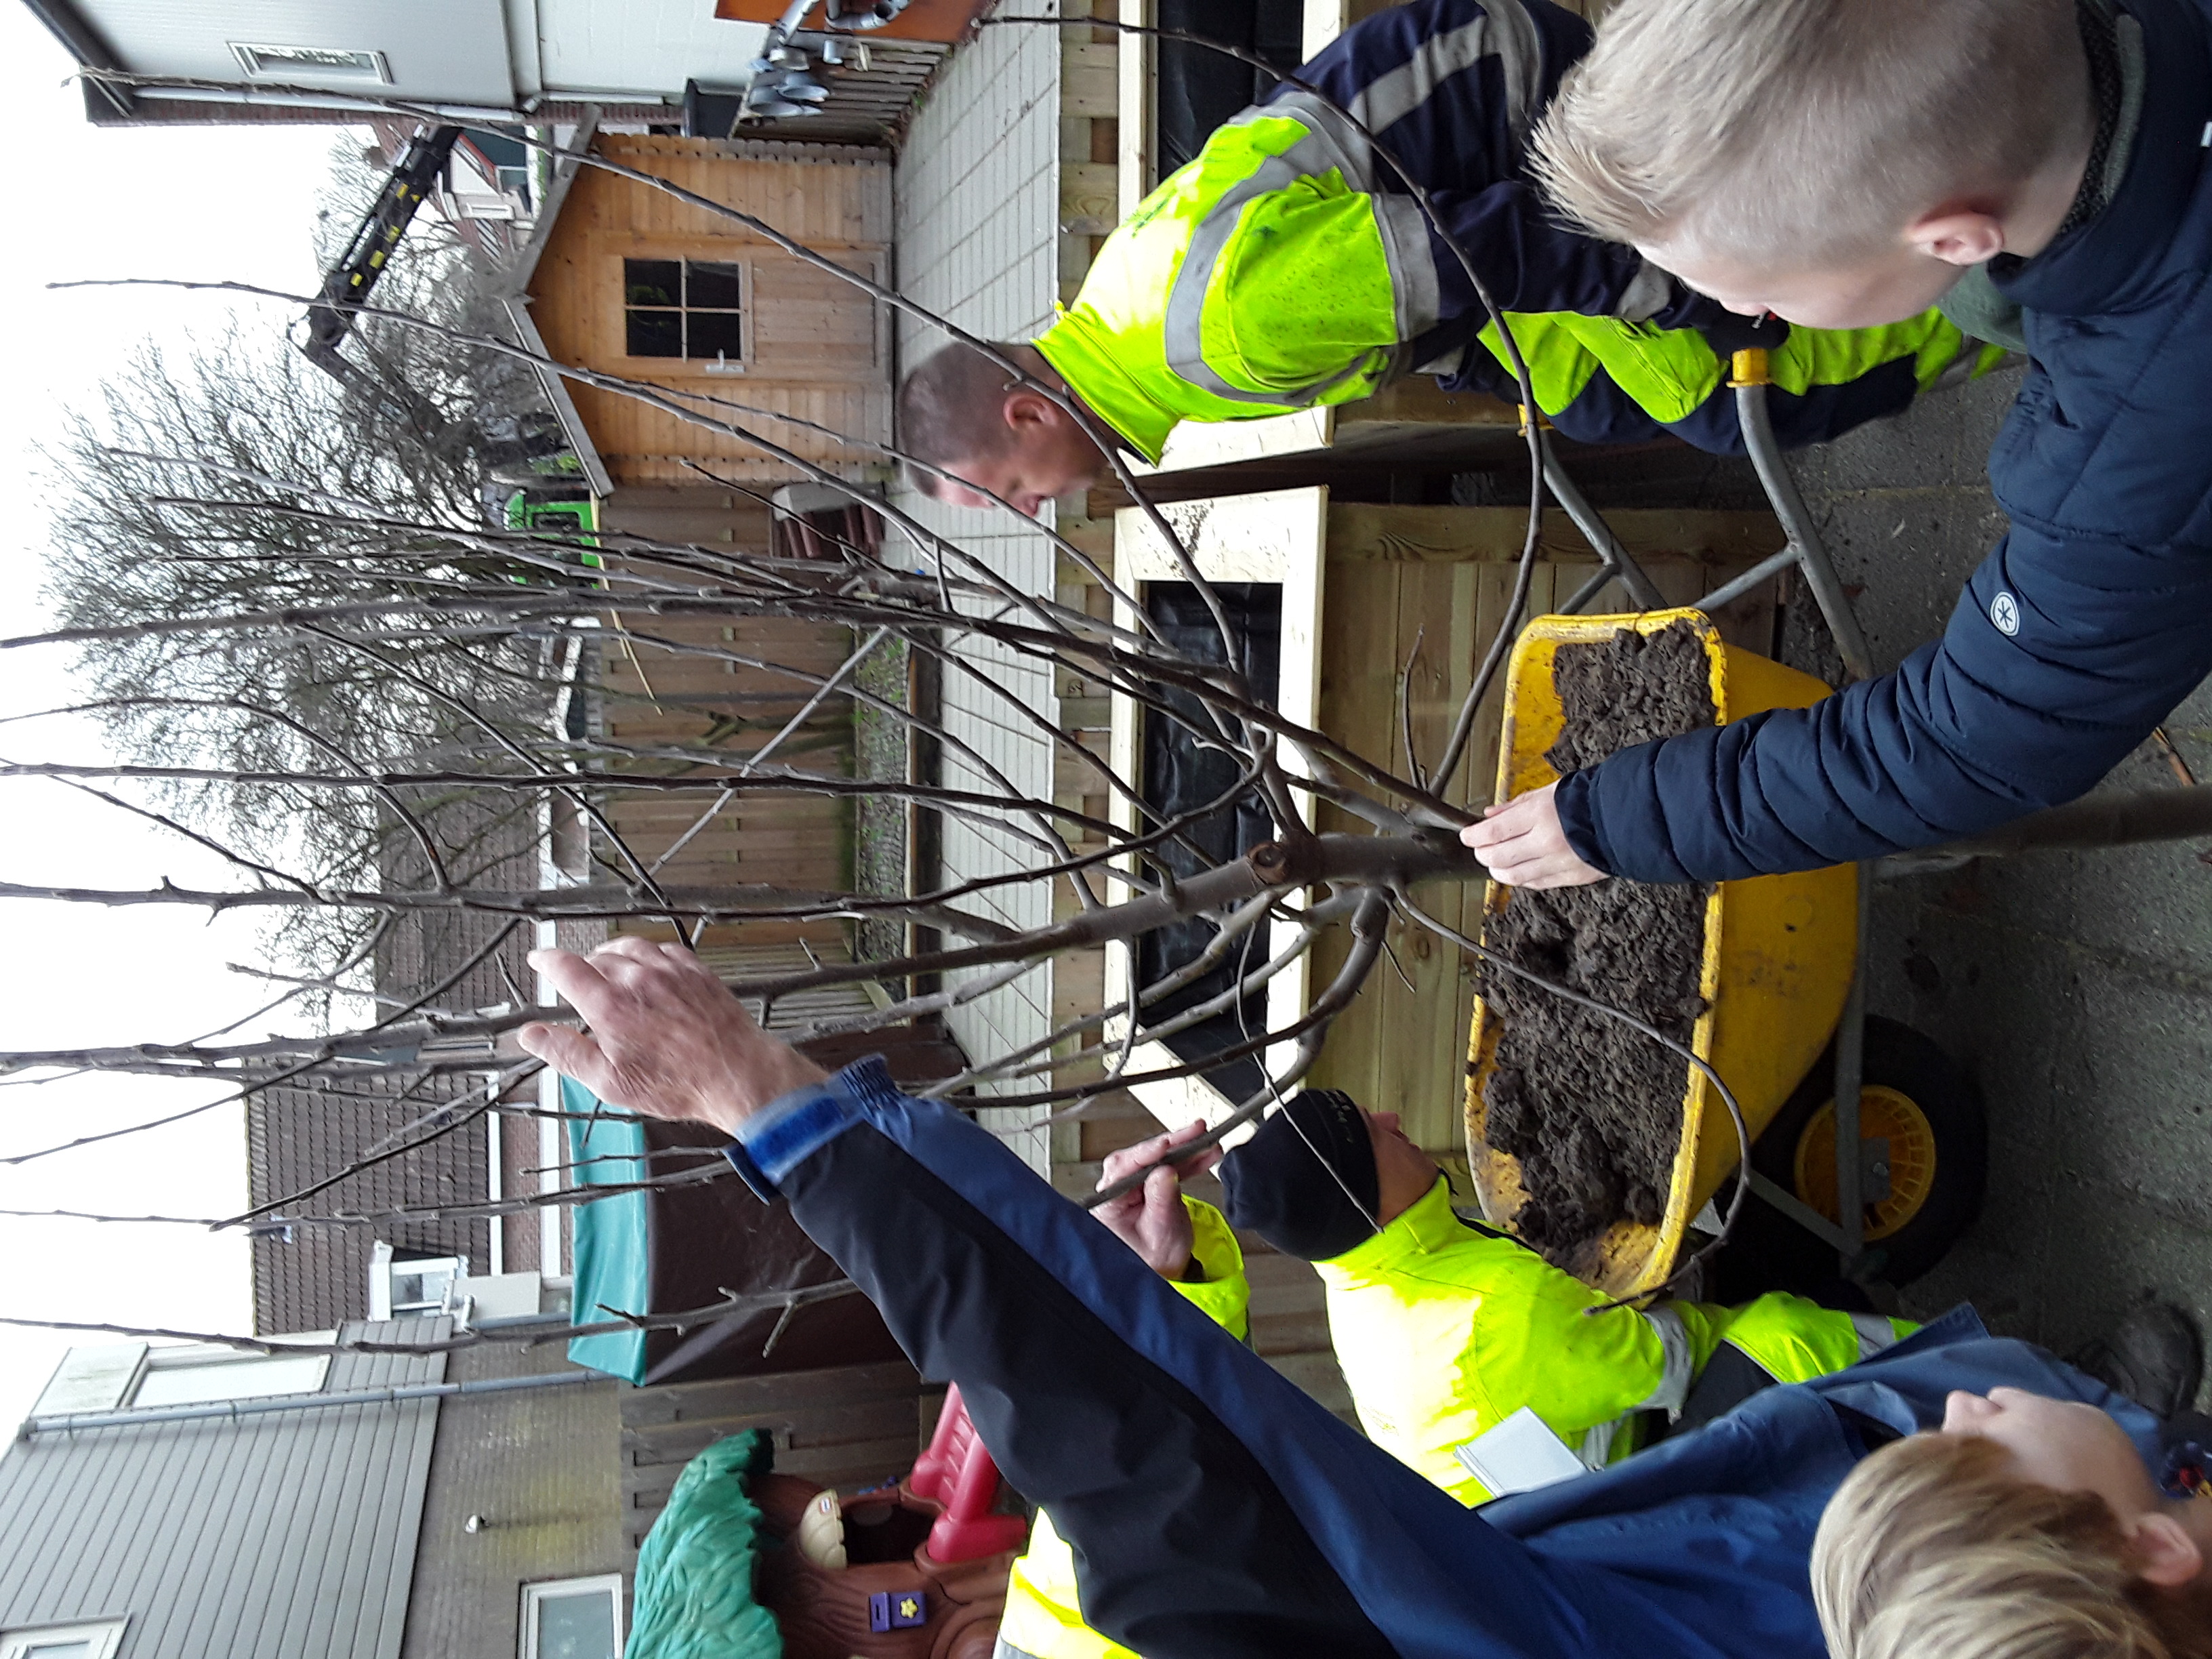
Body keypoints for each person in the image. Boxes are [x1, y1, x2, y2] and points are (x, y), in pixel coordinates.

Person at [517, 938, 2212, 1659]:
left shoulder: (1069, 1599)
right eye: (854, 1533)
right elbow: (1167, 1475)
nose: (901, 1505)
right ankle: (2130, 1453)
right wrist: (775, 1108)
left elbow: (1175, 1500)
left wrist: (1159, 1292)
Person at [1463, 0, 2212, 890]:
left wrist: (1620, 819)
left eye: (1763, 294)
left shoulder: (2128, 472)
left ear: (1953, 238)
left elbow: (1964, 742)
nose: (1743, 313)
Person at [898, 0, 2001, 515]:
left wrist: (1700, 300)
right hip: (1472, 196)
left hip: (1520, 106)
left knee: (1732, 394)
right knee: (1596, 403)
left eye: (1012, 494)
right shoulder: (1120, 328)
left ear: (1027, 415)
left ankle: (1993, 301)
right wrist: (1495, 368)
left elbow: (1494, 247)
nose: (1039, 512)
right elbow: (1421, 293)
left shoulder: (1217, 330)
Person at [998, 1091, 1909, 1659]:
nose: (1394, 1119)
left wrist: (1161, 1291)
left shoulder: (1370, 1291)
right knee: (1783, 1337)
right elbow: (1667, 1362)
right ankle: (1942, 1396)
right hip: (1600, 1515)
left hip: (1526, 1514)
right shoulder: (1487, 1316)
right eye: (1369, 1130)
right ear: (1364, 1198)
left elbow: (1166, 1472)